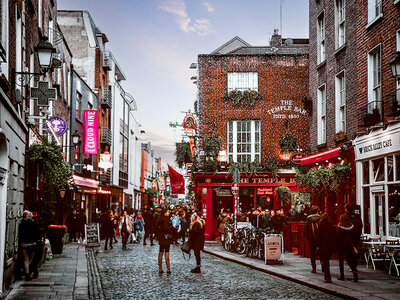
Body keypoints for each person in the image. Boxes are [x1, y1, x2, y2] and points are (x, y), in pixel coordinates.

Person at [336, 213, 358, 282]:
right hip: (349, 246)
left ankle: (342, 275)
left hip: (341, 246)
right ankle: (354, 272)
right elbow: (354, 237)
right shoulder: (352, 227)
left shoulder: (340, 228)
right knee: (349, 260)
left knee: (341, 261)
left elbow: (338, 237)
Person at [19, 210, 40, 281]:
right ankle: (27, 272)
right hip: (32, 244)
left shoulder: (21, 223)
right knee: (31, 258)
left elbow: (20, 234)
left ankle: (27, 273)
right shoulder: (33, 224)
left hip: (24, 243)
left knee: (26, 258)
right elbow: (36, 234)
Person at [317, 213, 335, 283]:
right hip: (329, 246)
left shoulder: (320, 226)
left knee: (324, 261)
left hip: (323, 246)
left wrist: (318, 245)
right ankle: (326, 275)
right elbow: (334, 237)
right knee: (326, 260)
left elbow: (318, 237)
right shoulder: (331, 226)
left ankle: (327, 276)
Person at [304, 205, 321, 273]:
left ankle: (314, 267)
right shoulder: (320, 218)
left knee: (312, 253)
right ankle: (323, 265)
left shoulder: (308, 219)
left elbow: (305, 230)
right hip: (320, 239)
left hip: (312, 239)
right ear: (317, 211)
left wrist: (308, 237)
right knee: (322, 252)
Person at [157, 208, 173, 274]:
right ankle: (168, 268)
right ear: (165, 213)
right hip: (166, 238)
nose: (169, 213)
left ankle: (160, 268)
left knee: (161, 252)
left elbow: (157, 228)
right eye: (168, 212)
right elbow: (166, 228)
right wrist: (172, 227)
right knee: (167, 252)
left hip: (161, 237)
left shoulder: (160, 219)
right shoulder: (166, 219)